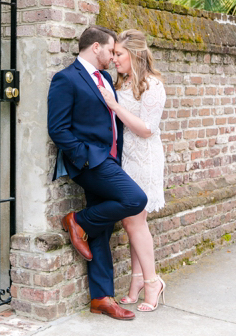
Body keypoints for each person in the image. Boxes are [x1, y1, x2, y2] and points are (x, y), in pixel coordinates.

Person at [47, 25, 148, 321]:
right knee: (135, 199)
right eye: (110, 49)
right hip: (90, 163)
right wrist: (86, 158)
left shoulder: (104, 77)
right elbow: (58, 129)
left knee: (101, 230)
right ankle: (76, 221)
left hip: (111, 161)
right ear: (96, 48)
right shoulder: (66, 79)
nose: (113, 56)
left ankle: (101, 298)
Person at [97, 29, 166, 312]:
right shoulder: (123, 83)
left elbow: (147, 130)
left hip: (146, 159)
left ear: (135, 54)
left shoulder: (152, 86)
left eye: (119, 54)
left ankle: (152, 282)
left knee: (135, 222)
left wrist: (114, 106)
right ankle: (137, 280)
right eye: (112, 53)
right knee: (131, 222)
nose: (114, 59)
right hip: (127, 159)